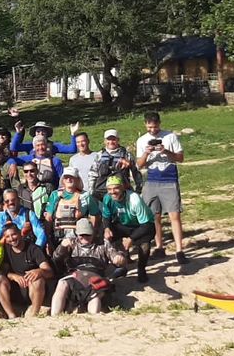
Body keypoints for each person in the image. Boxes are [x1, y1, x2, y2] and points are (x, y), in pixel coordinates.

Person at [136, 111, 187, 264]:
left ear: (160, 123)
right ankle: (159, 247)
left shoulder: (170, 136)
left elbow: (181, 158)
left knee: (174, 215)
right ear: (145, 124)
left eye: (155, 126)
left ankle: (179, 250)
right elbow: (139, 164)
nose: (153, 130)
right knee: (154, 216)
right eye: (149, 127)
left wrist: (166, 151)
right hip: (151, 180)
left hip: (169, 179)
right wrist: (146, 153)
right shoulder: (142, 140)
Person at [51, 218, 127, 316]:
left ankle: (93, 318)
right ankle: (55, 316)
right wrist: (62, 247)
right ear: (76, 233)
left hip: (95, 278)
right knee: (62, 283)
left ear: (93, 233)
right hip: (75, 276)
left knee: (95, 294)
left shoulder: (102, 244)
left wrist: (119, 259)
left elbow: (116, 257)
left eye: (88, 235)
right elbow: (56, 259)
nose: (84, 237)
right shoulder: (71, 244)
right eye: (81, 235)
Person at [99, 175, 156, 282]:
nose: (112, 192)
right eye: (109, 189)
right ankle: (120, 265)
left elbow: (146, 225)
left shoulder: (134, 199)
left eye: (116, 188)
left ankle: (141, 269)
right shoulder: (107, 198)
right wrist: (106, 228)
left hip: (142, 225)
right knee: (108, 237)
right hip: (123, 223)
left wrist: (131, 239)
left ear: (123, 187)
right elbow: (106, 216)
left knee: (144, 245)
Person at [0, 223, 53, 318]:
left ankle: (34, 314)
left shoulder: (33, 249)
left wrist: (40, 271)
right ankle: (11, 315)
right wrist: (13, 276)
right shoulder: (5, 251)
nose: (12, 238)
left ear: (20, 233)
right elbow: (3, 271)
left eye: (14, 234)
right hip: (16, 288)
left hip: (33, 289)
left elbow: (49, 272)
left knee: (37, 280)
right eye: (8, 236)